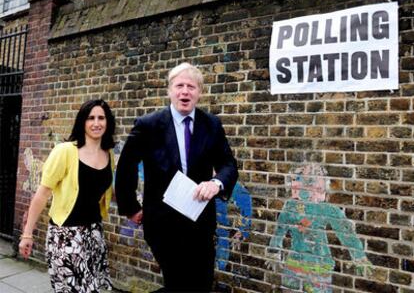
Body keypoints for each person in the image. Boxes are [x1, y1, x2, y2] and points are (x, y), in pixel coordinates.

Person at [115, 62, 238, 292]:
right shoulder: (148, 125)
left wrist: (216, 183)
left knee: (201, 283)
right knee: (178, 282)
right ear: (169, 90)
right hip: (162, 222)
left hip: (200, 220)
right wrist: (131, 207)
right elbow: (126, 167)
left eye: (191, 86)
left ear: (199, 92)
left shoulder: (211, 124)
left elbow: (228, 164)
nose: (185, 91)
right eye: (179, 85)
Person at [19, 99, 116, 292]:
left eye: (101, 118)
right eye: (91, 118)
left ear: (108, 122)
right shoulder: (65, 152)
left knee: (92, 288)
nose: (96, 123)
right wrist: (27, 234)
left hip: (94, 234)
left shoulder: (108, 154)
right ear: (82, 121)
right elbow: (42, 194)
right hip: (66, 236)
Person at [267, 164, 371, 293]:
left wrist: (358, 255)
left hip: (319, 266)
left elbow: (345, 231)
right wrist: (273, 251)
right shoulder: (290, 206)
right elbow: (280, 230)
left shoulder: (326, 209)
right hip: (294, 265)